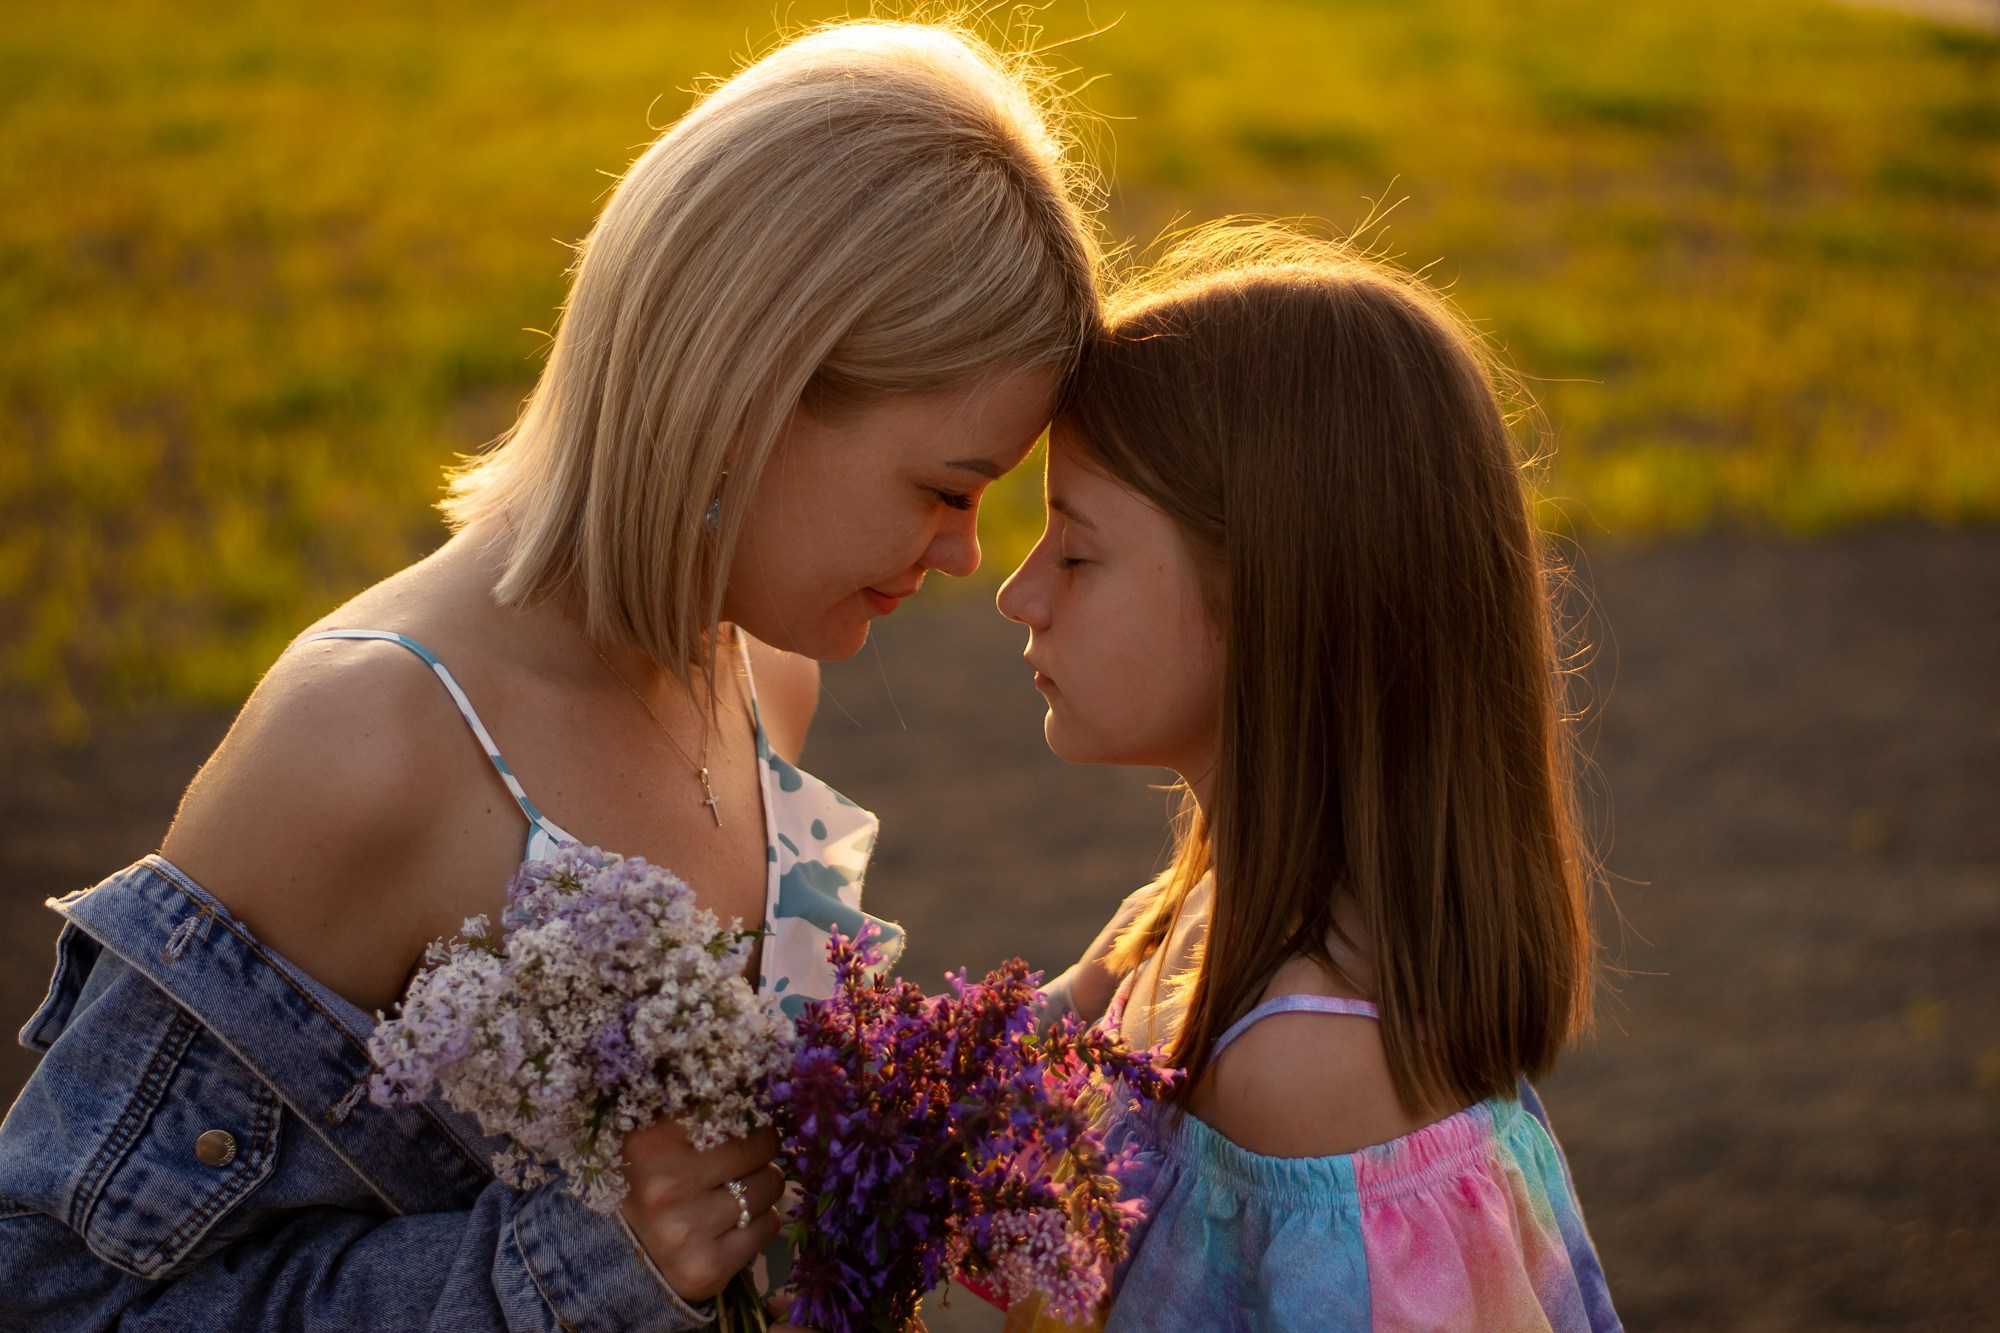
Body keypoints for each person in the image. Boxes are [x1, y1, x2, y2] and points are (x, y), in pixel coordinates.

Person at [0, 19, 1099, 1332]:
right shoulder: (368, 746)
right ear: (749, 391)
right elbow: (51, 1293)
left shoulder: (759, 674)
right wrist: (574, 1270)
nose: (969, 554)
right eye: (946, 488)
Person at [1001, 223, 1621, 1330]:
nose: (1019, 593)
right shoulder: (1178, 916)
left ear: (1271, 598)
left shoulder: (1314, 1071)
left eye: (1077, 551)